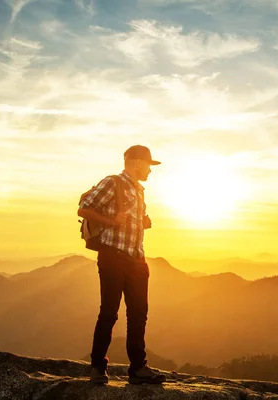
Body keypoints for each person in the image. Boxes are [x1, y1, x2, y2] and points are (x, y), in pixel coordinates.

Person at [78, 145, 166, 385]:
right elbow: (84, 208)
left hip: (137, 259)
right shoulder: (112, 182)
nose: (150, 170)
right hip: (113, 257)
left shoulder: (139, 190)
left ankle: (138, 368)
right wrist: (112, 221)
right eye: (149, 165)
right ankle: (98, 367)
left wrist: (142, 223)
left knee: (139, 314)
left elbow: (130, 221)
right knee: (109, 312)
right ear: (137, 162)